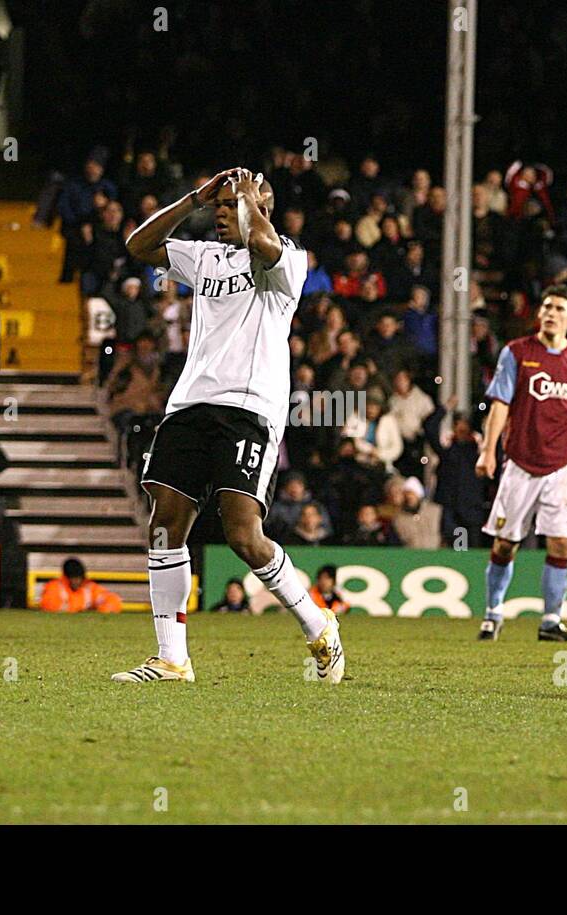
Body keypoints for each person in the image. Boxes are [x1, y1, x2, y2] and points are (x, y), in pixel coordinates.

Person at [111, 166, 344, 685]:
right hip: (190, 402)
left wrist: (246, 200)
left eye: (231, 204)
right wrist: (193, 197)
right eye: (217, 207)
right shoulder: (206, 257)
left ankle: (317, 623)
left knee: (243, 535)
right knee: (166, 524)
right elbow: (139, 245)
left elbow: (260, 237)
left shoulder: (288, 261)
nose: (221, 213)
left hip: (249, 407)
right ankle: (172, 658)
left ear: (262, 205)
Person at [475, 285, 567, 643]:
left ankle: (551, 621)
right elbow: (500, 404)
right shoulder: (517, 352)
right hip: (522, 462)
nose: (550, 313)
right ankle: (493, 612)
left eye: (559, 308)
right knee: (505, 543)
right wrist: (488, 450)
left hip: (564, 465)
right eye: (546, 306)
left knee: (560, 543)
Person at [39, 558, 123, 613]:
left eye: (79, 578)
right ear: (66, 577)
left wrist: (102, 610)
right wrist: (81, 610)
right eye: (74, 578)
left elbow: (113, 600)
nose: (77, 581)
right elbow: (50, 606)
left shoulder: (89, 588)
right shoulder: (54, 587)